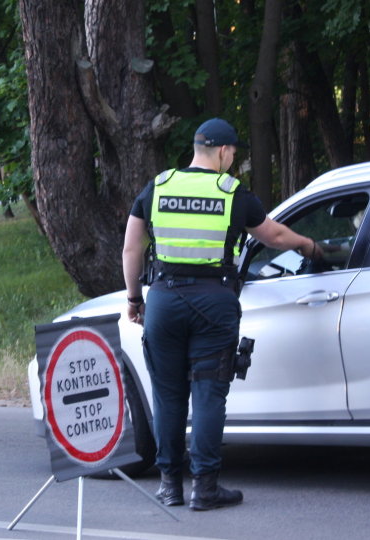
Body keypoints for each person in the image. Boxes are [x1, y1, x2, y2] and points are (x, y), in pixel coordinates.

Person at [122, 118, 320, 510]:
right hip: (213, 304)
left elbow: (131, 248)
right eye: (234, 153)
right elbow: (275, 236)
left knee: (168, 396)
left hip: (163, 301)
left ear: (197, 148)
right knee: (209, 393)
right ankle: (206, 488)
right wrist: (311, 247)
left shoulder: (157, 187)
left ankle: (169, 486)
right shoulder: (232, 193)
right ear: (224, 152)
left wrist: (134, 299)